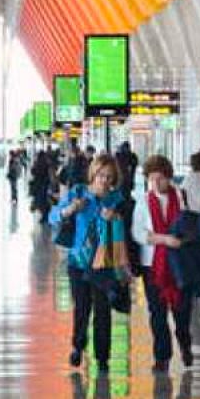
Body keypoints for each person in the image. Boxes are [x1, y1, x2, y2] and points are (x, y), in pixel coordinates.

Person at [50, 154, 129, 371]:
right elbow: (53, 216)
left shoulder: (116, 199)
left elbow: (125, 226)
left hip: (104, 263)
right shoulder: (78, 193)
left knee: (103, 311)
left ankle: (103, 357)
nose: (104, 181)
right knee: (82, 308)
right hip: (78, 261)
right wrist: (70, 209)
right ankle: (78, 345)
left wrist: (115, 217)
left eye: (109, 177)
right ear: (93, 174)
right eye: (101, 175)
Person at [132, 155, 195, 372]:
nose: (156, 183)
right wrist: (164, 239)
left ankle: (185, 343)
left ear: (169, 177)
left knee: (182, 311)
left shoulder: (182, 197)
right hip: (153, 266)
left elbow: (191, 225)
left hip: (179, 263)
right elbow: (138, 233)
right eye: (152, 179)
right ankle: (162, 357)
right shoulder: (143, 201)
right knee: (157, 313)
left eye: (160, 178)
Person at [29, 150, 54, 223]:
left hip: (39, 185)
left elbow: (33, 171)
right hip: (45, 185)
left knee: (41, 201)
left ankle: (44, 216)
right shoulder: (47, 163)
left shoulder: (38, 163)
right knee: (45, 201)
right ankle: (45, 216)